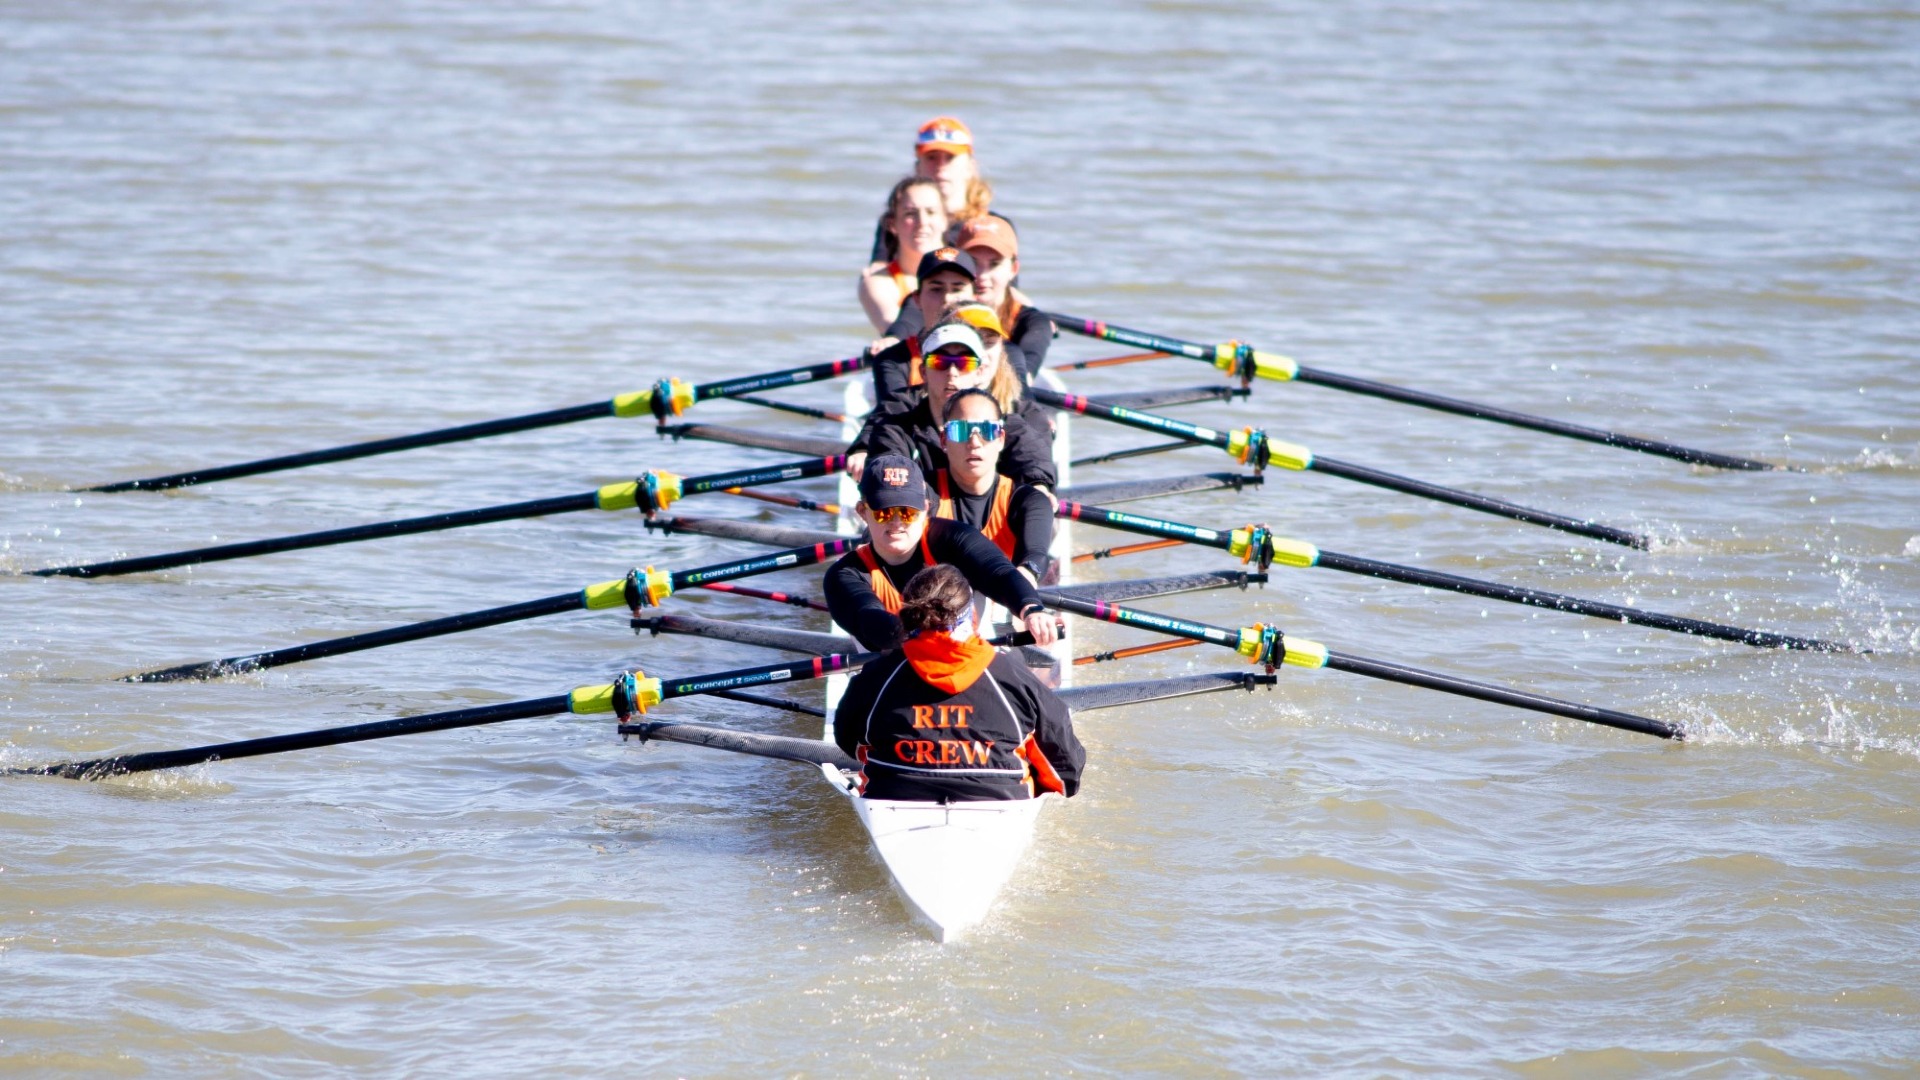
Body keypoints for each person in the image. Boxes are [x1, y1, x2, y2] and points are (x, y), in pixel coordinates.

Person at [833, 563, 1083, 803]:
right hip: (1000, 802)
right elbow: (1066, 771)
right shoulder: (1014, 675)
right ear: (972, 616)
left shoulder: (877, 675)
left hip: (892, 799)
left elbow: (848, 739)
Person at [824, 454, 1056, 653]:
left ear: (925, 509)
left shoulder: (952, 539)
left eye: (907, 512)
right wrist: (927, 636)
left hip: (968, 658)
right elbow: (870, 619)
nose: (896, 523)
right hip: (893, 670)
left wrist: (1031, 608)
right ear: (863, 512)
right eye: (884, 512)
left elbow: (999, 572)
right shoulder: (845, 574)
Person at [847, 319, 1054, 493]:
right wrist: (862, 449)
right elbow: (887, 459)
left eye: (964, 363)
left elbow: (1033, 458)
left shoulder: (1004, 421)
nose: (952, 372)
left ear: (980, 372)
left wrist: (1038, 485)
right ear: (924, 371)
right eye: (940, 362)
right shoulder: (899, 418)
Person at [932, 388, 1055, 585]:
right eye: (960, 430)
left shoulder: (1028, 501)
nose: (974, 442)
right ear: (944, 439)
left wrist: (1028, 574)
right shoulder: (923, 494)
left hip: (1007, 601)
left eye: (987, 430)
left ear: (1001, 440)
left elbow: (1036, 556)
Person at [866, 116, 997, 262]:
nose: (940, 166)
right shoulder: (901, 223)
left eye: (950, 157)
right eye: (931, 157)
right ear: (917, 168)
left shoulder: (993, 226)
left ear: (970, 167)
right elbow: (876, 272)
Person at [864, 247, 980, 408]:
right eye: (936, 289)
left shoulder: (1002, 355)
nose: (947, 298)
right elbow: (898, 419)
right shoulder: (893, 360)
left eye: (957, 289)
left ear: (975, 298)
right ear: (917, 298)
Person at [954, 214, 1051, 378]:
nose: (982, 275)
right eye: (973, 262)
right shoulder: (935, 305)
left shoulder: (1033, 322)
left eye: (994, 264)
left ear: (1013, 269)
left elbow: (1023, 376)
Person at [857, 177, 947, 334]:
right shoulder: (878, 281)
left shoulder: (973, 271)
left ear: (945, 220)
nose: (922, 222)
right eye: (910, 214)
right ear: (892, 225)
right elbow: (901, 333)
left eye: (931, 212)